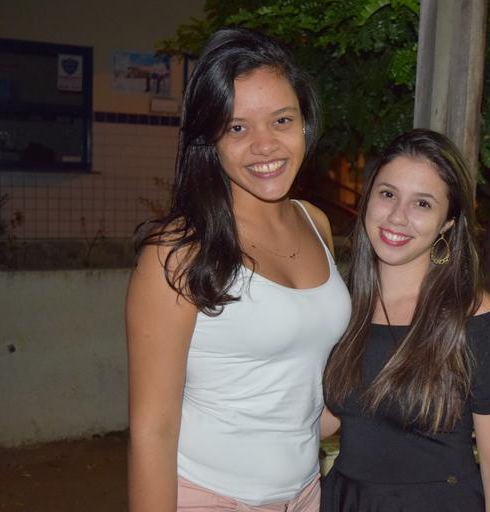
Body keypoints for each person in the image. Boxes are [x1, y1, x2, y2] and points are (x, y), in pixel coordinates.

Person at [126, 27, 351, 512]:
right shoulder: (178, 252)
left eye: (282, 120)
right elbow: (152, 430)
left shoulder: (315, 223)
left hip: (306, 493)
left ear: (305, 122)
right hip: (209, 496)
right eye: (237, 128)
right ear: (210, 139)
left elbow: (304, 382)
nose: (265, 145)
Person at [321, 129, 490, 512]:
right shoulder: (341, 306)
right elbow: (327, 418)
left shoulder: (472, 319)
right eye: (388, 194)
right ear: (368, 198)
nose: (397, 216)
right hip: (345, 500)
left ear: (448, 222)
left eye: (423, 204)